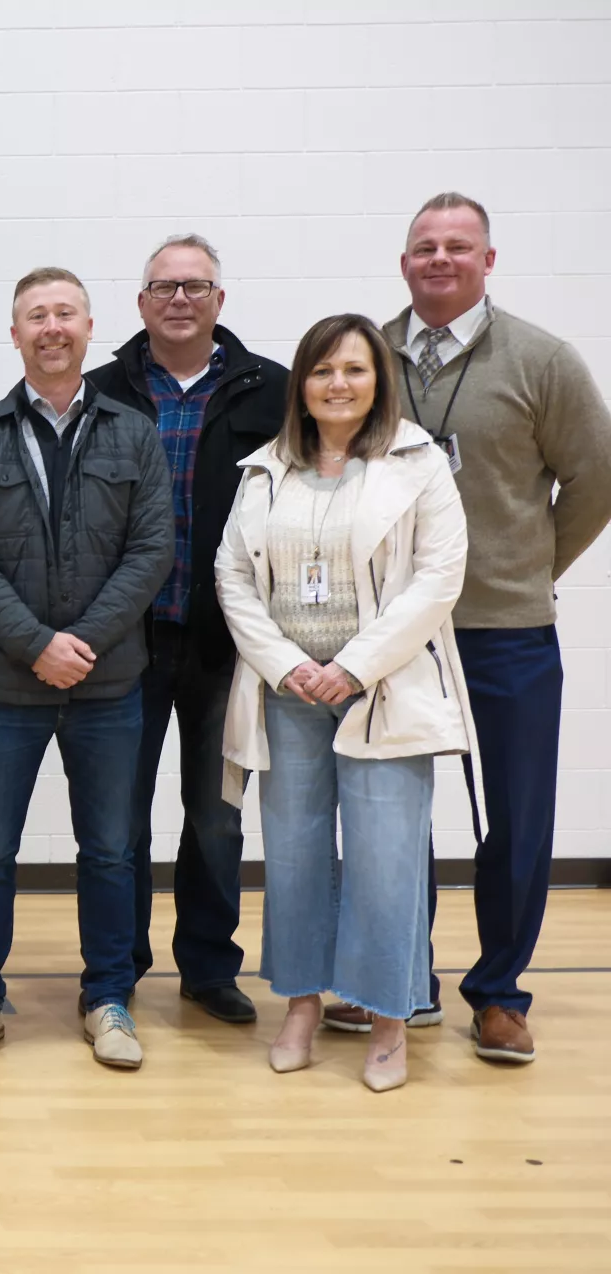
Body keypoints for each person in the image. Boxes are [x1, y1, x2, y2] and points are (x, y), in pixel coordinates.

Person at [361, 192, 611, 1065]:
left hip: (503, 629)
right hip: (393, 634)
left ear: (488, 261)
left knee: (514, 816)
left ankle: (499, 993)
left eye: (457, 247)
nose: (439, 259)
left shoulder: (543, 360)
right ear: (404, 264)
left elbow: (595, 480)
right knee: (394, 816)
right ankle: (402, 981)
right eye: (423, 246)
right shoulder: (369, 357)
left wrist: (531, 568)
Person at [216, 312, 475, 1093]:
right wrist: (289, 663)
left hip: (382, 690)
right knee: (293, 856)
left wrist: (355, 666)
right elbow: (233, 576)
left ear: (378, 382)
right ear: (301, 384)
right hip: (289, 692)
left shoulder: (418, 464)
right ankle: (300, 1005)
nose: (338, 384)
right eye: (323, 370)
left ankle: (388, 1018)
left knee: (385, 859)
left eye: (354, 370)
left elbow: (440, 577)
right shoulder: (266, 468)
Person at [0, 267, 171, 1070]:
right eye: (35, 315)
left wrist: (85, 644)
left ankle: (108, 997)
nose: (50, 327)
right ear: (15, 334)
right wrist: (36, 642)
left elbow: (151, 552)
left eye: (64, 313)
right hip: (6, 687)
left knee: (111, 849)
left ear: (87, 327)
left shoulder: (132, 432)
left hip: (109, 688)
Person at [84, 234, 290, 1026]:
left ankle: (208, 967)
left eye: (194, 287)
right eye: (163, 287)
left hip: (226, 645)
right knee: (120, 817)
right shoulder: (105, 391)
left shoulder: (269, 391)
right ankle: (119, 968)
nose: (178, 299)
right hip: (125, 643)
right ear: (140, 303)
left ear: (219, 301)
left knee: (216, 815)